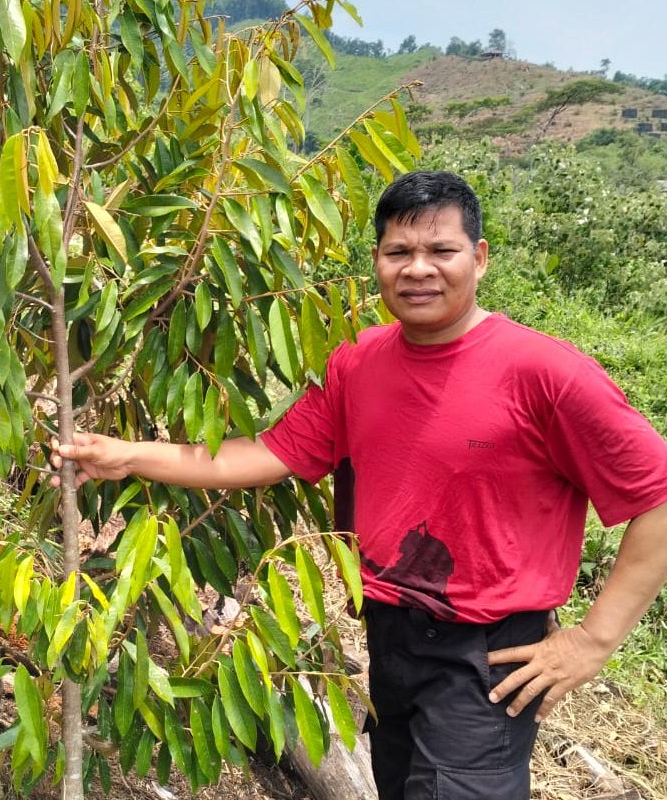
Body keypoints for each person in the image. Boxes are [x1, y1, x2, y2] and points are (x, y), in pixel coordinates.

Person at [51, 171, 667, 799]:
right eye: (399, 252)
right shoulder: (357, 359)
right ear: (376, 260)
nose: (418, 270)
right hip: (388, 632)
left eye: (441, 252)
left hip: (489, 655)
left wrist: (592, 641)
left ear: (479, 259)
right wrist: (128, 455)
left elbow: (659, 497)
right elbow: (269, 452)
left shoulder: (546, 373)